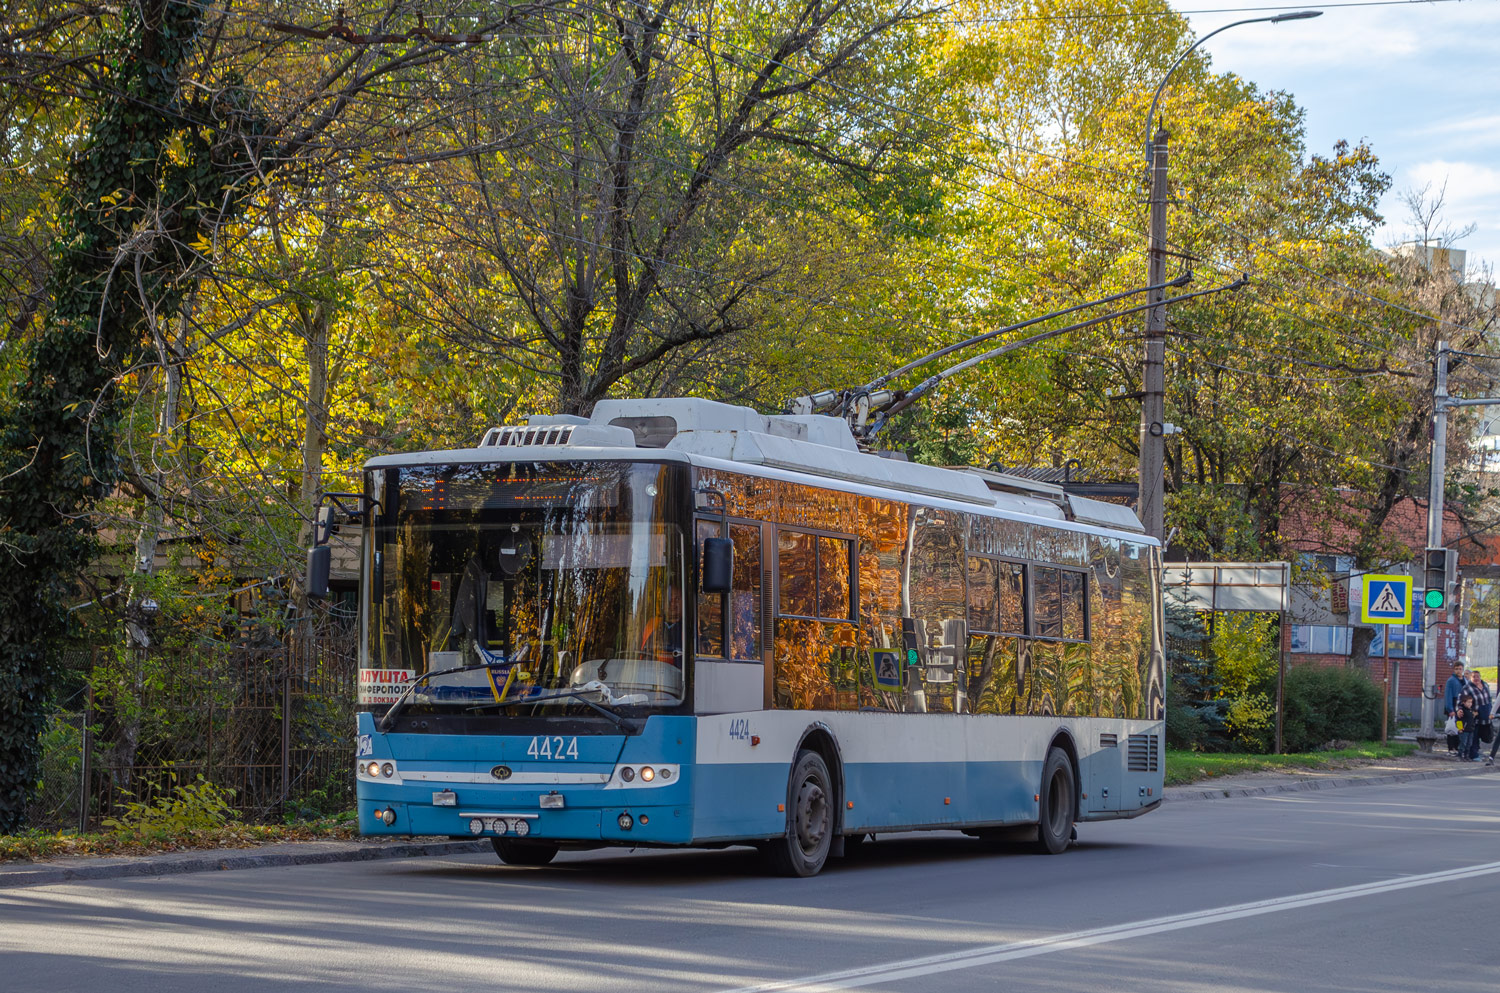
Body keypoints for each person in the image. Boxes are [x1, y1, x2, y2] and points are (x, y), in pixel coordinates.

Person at [1443, 662, 1468, 754]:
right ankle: (1451, 747)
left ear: (1463, 669)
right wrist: (1450, 709)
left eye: (1460, 669)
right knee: (1452, 727)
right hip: (1453, 705)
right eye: (1456, 669)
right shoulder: (1451, 680)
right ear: (1454, 669)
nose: (1458, 671)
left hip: (1462, 705)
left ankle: (1458, 747)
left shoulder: (1465, 680)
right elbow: (1448, 695)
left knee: (1460, 727)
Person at [1468, 670, 1493, 763]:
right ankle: (1473, 755)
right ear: (1471, 678)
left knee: (1484, 736)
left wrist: (1491, 710)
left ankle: (1477, 752)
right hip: (1475, 718)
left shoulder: (1485, 685)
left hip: (1486, 717)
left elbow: (1489, 699)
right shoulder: (1468, 688)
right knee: (1474, 736)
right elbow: (1462, 701)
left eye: (1477, 676)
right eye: (1474, 676)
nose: (1476, 678)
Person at [1455, 691, 1477, 764]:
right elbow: (1458, 720)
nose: (1470, 704)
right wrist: (1460, 728)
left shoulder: (1471, 710)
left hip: (1470, 730)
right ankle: (1460, 755)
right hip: (1464, 730)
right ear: (1464, 702)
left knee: (1469, 744)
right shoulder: (1462, 710)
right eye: (1468, 702)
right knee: (1463, 743)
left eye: (1471, 702)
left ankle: (1466, 756)